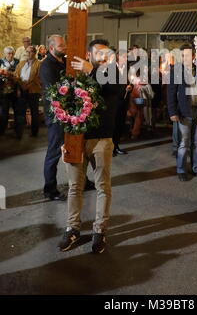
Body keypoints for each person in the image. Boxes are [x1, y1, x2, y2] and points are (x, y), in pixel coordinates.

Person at [58, 39, 120, 253]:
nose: (103, 56)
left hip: (101, 139)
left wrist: (92, 70)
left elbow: (112, 88)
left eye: (106, 52)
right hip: (76, 139)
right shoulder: (77, 75)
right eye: (98, 53)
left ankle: (99, 231)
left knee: (103, 186)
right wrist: (63, 141)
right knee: (74, 187)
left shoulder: (112, 73)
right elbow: (62, 107)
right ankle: (72, 228)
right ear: (88, 53)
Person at [39, 35, 94, 201]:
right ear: (51, 48)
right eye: (61, 45)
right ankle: (50, 189)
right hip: (56, 115)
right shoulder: (47, 65)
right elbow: (54, 90)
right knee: (55, 150)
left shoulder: (63, 61)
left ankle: (82, 181)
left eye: (65, 44)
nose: (65, 47)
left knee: (78, 146)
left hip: (71, 112)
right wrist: (74, 90)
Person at [167, 43, 197, 181]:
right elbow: (171, 92)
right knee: (184, 143)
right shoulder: (176, 70)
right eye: (183, 55)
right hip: (184, 111)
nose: (186, 58)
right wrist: (172, 112)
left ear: (194, 56)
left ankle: (196, 168)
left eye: (188, 55)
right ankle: (181, 170)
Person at [14, 45, 41, 138]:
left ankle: (34, 132)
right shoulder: (21, 63)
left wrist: (27, 85)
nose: (29, 54)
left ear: (35, 53)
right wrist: (20, 86)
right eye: (27, 52)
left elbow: (38, 78)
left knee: (34, 112)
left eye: (31, 52)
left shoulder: (39, 64)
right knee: (20, 112)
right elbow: (16, 75)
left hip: (33, 91)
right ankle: (19, 133)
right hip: (22, 90)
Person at [112, 49, 132, 156]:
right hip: (114, 101)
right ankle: (110, 148)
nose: (126, 59)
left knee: (120, 124)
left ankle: (116, 146)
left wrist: (129, 87)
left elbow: (130, 81)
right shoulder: (111, 68)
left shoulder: (127, 69)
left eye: (126, 57)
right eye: (124, 56)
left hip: (124, 100)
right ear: (118, 57)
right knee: (113, 125)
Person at [0, 46, 21, 137]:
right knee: (4, 112)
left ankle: (17, 132)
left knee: (17, 112)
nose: (11, 55)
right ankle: (2, 131)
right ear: (5, 54)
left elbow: (20, 75)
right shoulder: (0, 62)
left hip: (15, 90)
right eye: (9, 53)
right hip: (4, 91)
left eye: (12, 53)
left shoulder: (17, 62)